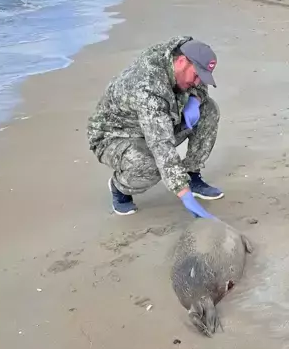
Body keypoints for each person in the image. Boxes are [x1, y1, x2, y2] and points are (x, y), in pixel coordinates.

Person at [87, 36, 224, 218]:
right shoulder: (148, 87)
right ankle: (119, 187)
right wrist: (183, 194)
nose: (198, 82)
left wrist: (195, 98)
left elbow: (199, 87)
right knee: (151, 166)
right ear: (182, 62)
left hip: (158, 118)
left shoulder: (179, 53)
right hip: (116, 135)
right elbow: (161, 144)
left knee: (209, 110)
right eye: (197, 75)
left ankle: (191, 173)